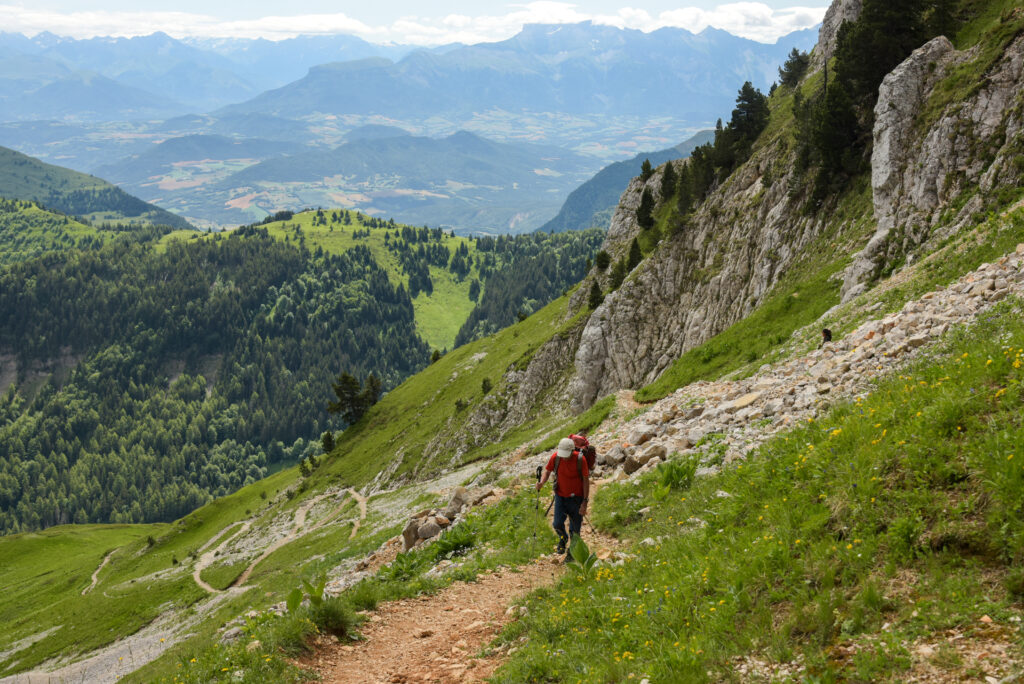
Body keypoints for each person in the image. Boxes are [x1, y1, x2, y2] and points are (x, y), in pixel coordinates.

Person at [536, 437, 590, 557]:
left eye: (567, 455)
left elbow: (586, 480)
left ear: (572, 450)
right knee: (557, 524)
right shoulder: (556, 457)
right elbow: (547, 471)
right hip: (560, 496)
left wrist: (585, 502)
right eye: (563, 454)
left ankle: (572, 553)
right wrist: (542, 483)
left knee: (575, 530)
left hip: (577, 498)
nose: (564, 457)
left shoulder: (580, 459)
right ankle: (563, 538)